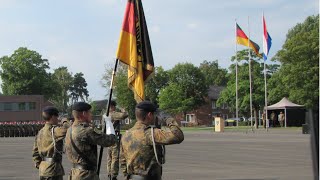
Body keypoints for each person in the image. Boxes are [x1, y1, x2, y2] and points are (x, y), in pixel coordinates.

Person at [120, 101, 184, 180]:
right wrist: (167, 118)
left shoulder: (126, 134)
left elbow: (122, 161)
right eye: (154, 115)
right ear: (150, 115)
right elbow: (178, 136)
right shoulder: (150, 133)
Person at [65, 102, 116, 180]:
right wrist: (109, 122)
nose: (91, 115)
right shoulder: (86, 131)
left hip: (74, 173)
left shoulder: (69, 130)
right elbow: (111, 140)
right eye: (90, 112)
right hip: (86, 175)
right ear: (84, 113)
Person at [32, 106, 69, 180]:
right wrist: (65, 120)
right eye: (57, 116)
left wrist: (40, 165)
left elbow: (35, 152)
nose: (58, 119)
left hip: (43, 169)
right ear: (52, 117)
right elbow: (68, 128)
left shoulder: (40, 132)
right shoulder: (54, 130)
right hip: (53, 170)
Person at [106, 100, 128, 180]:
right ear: (112, 107)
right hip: (114, 137)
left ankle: (109, 173)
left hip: (107, 137)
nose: (115, 108)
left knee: (109, 157)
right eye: (114, 106)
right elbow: (124, 115)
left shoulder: (105, 115)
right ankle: (113, 175)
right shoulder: (112, 114)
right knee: (115, 157)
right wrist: (123, 110)